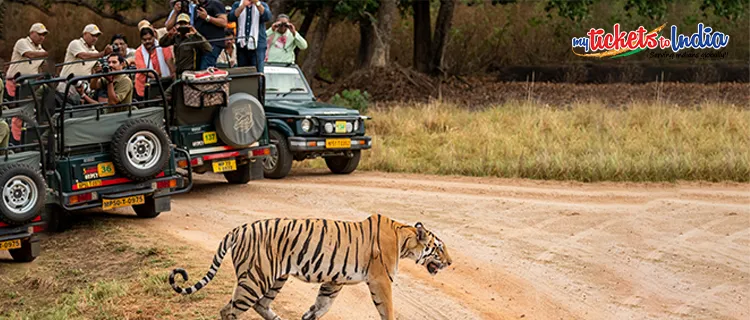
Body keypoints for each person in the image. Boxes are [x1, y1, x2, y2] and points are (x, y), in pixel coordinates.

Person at [167, 0, 228, 70]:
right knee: (197, 70)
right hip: (199, 44)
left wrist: (207, 17)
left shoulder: (215, 3)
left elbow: (224, 22)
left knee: (205, 68)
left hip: (213, 43)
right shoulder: (197, 7)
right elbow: (168, 27)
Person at [5, 23, 49, 98]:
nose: (42, 37)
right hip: (15, 83)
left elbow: (45, 66)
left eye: (44, 35)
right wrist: (48, 53)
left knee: (47, 88)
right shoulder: (22, 42)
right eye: (39, 34)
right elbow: (30, 55)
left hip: (32, 84)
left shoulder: (42, 51)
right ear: (31, 33)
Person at [134, 25, 175, 99]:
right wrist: (156, 76)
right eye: (144, 40)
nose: (147, 42)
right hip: (145, 87)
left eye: (149, 39)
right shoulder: (138, 52)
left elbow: (169, 60)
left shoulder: (162, 46)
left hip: (164, 83)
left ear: (154, 37)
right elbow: (144, 70)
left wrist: (173, 73)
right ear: (141, 40)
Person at [229, 0, 271, 72]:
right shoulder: (237, 4)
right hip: (242, 45)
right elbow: (230, 17)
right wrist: (242, 6)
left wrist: (257, 3)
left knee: (257, 72)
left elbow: (267, 17)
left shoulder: (262, 4)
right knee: (243, 72)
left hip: (257, 45)